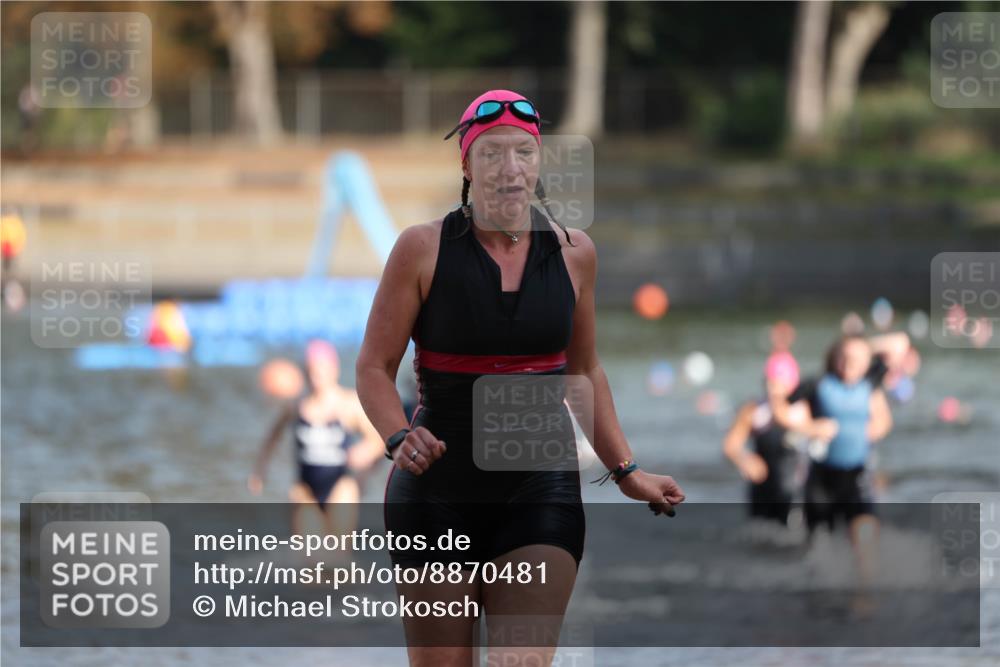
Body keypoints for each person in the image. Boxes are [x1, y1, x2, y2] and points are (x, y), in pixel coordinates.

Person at [355, 89, 685, 666]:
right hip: (437, 491)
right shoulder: (422, 249)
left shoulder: (574, 253)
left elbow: (583, 372)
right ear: (467, 165)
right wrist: (397, 434)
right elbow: (373, 368)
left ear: (539, 163)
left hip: (539, 485)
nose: (510, 170)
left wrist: (626, 470)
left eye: (523, 154)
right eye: (491, 154)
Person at [780, 335, 893, 581]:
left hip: (857, 472)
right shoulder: (817, 384)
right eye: (843, 357)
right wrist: (811, 427)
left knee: (864, 531)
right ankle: (819, 591)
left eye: (856, 358)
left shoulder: (871, 385)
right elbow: (782, 411)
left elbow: (884, 420)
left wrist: (876, 428)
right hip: (822, 476)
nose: (849, 363)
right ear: (833, 358)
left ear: (866, 362)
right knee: (820, 546)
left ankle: (865, 588)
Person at [249, 340, 383, 540]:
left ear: (333, 370)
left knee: (338, 556)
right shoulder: (297, 406)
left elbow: (379, 439)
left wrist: (365, 452)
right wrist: (260, 471)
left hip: (340, 486)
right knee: (310, 556)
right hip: (306, 490)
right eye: (311, 371)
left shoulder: (348, 404)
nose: (316, 377)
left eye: (321, 371)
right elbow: (272, 437)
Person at [724, 349, 838, 528]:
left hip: (794, 488)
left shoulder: (803, 409)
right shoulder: (754, 410)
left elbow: (826, 430)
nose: (772, 389)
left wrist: (811, 429)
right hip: (762, 487)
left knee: (794, 529)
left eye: (777, 383)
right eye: (768, 383)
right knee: (760, 533)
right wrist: (744, 459)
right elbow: (730, 445)